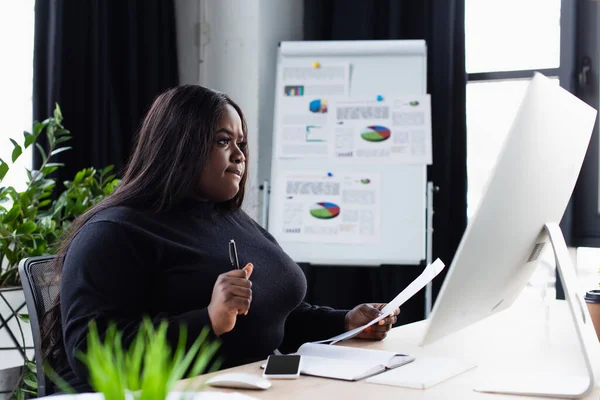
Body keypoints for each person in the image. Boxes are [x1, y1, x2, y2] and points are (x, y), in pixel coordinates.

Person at [41, 85, 400, 393]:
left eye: (240, 142)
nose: (240, 156)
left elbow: (271, 316)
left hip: (254, 385)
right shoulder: (113, 234)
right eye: (223, 141)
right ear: (178, 147)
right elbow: (93, 355)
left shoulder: (229, 218)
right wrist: (210, 319)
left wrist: (345, 322)